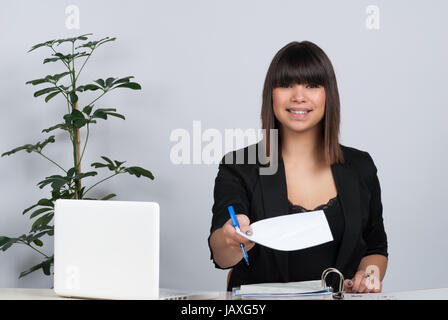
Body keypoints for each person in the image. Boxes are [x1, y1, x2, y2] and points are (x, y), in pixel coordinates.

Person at [208, 41, 388, 294]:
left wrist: (369, 274)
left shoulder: (360, 166)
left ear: (329, 94)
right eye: (286, 85)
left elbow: (375, 249)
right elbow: (221, 255)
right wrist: (231, 239)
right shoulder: (239, 165)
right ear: (271, 94)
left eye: (312, 85)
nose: (299, 96)